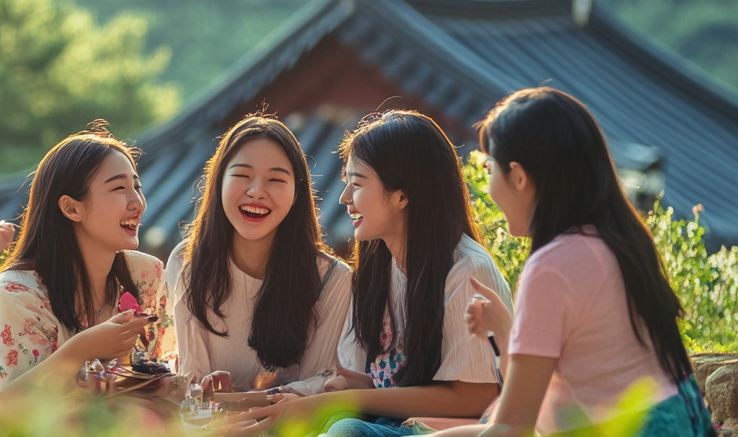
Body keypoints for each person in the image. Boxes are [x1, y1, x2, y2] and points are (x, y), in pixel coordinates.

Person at [443, 87, 712, 436]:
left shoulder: (553, 267)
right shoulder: (617, 241)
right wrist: (506, 331)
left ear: (520, 177)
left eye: (490, 166)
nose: (488, 182)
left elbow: (514, 429)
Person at [231, 110, 511, 436]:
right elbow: (386, 386)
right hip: (388, 423)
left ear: (402, 195)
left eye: (357, 184)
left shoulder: (466, 271)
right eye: (346, 183)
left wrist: (352, 400)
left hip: (449, 430)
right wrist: (355, 386)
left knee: (346, 431)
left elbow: (474, 398)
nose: (345, 199)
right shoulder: (377, 267)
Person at [0, 124, 174, 396]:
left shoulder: (146, 274)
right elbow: (11, 412)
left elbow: (159, 373)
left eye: (137, 186)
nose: (137, 202)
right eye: (119, 188)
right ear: (71, 208)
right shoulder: (17, 294)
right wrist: (82, 348)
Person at [165, 115, 353, 399]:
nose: (256, 192)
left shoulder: (333, 280)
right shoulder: (187, 262)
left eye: (276, 179)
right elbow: (193, 380)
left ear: (297, 192)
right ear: (218, 181)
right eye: (241, 175)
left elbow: (319, 382)